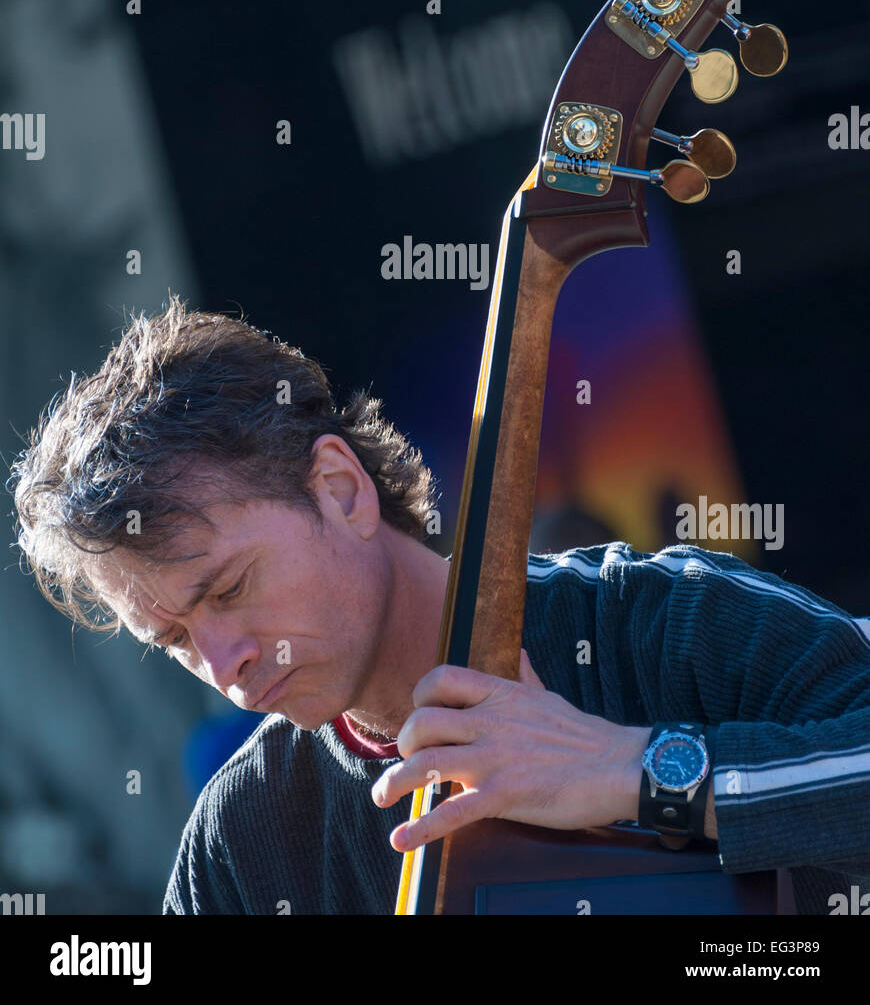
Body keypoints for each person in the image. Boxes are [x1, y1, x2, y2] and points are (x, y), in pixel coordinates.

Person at [8, 294, 870, 915]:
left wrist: (636, 771)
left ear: (342, 491)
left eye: (229, 588)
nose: (227, 672)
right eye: (174, 641)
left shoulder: (656, 624)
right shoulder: (242, 844)